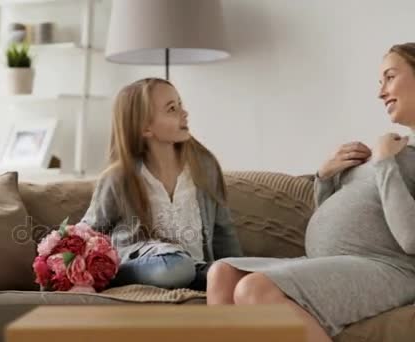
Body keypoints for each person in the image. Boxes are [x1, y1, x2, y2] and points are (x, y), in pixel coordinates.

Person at [206, 42, 415, 342]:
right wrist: (326, 177)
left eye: (390, 77)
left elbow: (410, 239)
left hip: (391, 269)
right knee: (222, 273)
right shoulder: (397, 147)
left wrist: (383, 162)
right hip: (335, 263)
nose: (381, 92)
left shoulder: (389, 154)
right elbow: (334, 219)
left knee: (255, 289)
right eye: (380, 81)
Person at [80, 77, 243, 290]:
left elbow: (224, 232)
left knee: (245, 273)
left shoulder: (205, 167)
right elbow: (87, 233)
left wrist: (239, 273)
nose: (184, 113)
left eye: (180, 105)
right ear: (145, 127)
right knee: (176, 267)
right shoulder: (119, 178)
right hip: (156, 267)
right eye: (172, 109)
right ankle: (114, 276)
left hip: (198, 272)